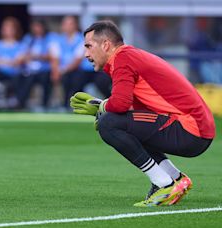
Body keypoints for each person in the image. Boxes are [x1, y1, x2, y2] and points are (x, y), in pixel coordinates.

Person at [70, 20, 215, 207]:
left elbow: (121, 105)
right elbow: (135, 110)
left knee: (109, 124)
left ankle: (164, 184)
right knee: (119, 124)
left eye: (89, 46)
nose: (86, 54)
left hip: (190, 130)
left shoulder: (122, 59)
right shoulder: (130, 56)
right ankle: (175, 178)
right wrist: (103, 106)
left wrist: (102, 107)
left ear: (106, 45)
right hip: (197, 130)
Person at [18, 19, 53, 111]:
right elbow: (23, 54)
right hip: (30, 70)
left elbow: (52, 55)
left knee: (46, 79)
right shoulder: (29, 39)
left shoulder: (49, 39)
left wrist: (38, 56)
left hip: (44, 70)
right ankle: (20, 104)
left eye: (39, 27)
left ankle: (45, 104)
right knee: (25, 79)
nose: (36, 29)